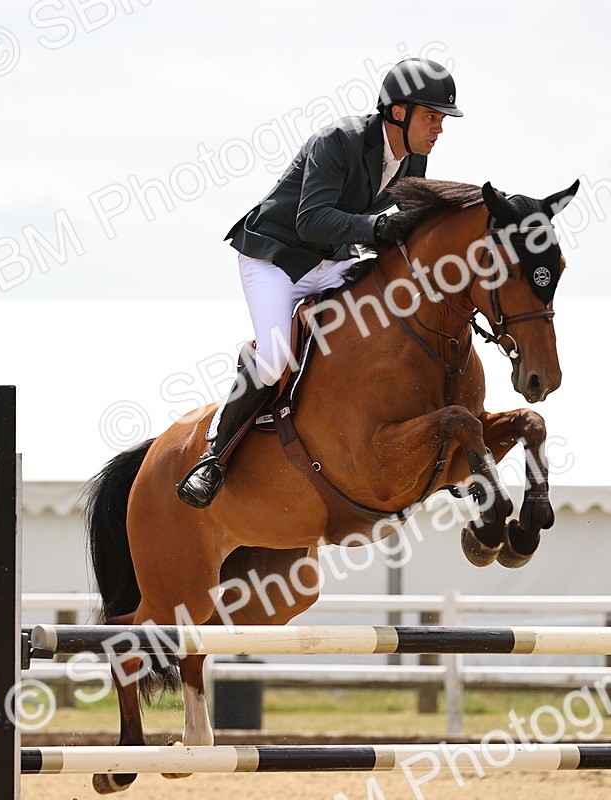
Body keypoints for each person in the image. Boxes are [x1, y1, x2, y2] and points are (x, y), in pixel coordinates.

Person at [175, 57, 462, 509]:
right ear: (399, 112)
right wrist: (375, 230)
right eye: (432, 116)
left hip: (331, 262)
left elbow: (402, 224)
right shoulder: (339, 141)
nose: (439, 128)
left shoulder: (415, 159)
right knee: (274, 359)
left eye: (442, 119)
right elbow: (311, 220)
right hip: (277, 259)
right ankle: (214, 455)